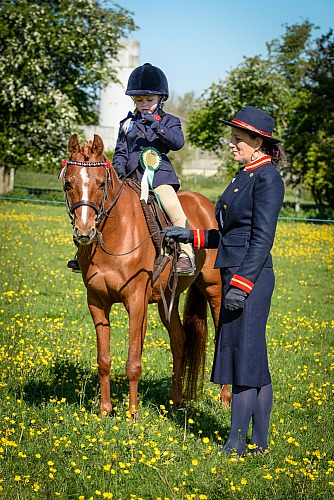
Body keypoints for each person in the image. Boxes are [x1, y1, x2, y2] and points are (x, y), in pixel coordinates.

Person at [164, 106, 285, 456]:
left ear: (258, 141)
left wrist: (242, 286)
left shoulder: (267, 178)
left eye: (238, 139)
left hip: (251, 279)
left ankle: (235, 444)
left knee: (244, 361)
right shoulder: (243, 175)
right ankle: (260, 444)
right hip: (234, 272)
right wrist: (189, 235)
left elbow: (262, 239)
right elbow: (226, 235)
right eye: (232, 138)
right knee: (252, 362)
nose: (231, 144)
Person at [68, 63, 195, 275]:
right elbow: (120, 151)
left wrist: (155, 125)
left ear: (160, 99)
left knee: (173, 206)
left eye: (149, 100)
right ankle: (83, 250)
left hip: (158, 177)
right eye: (139, 100)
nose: (144, 104)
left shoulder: (169, 121)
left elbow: (177, 143)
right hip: (128, 178)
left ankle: (185, 253)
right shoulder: (127, 123)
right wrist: (117, 171)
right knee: (102, 204)